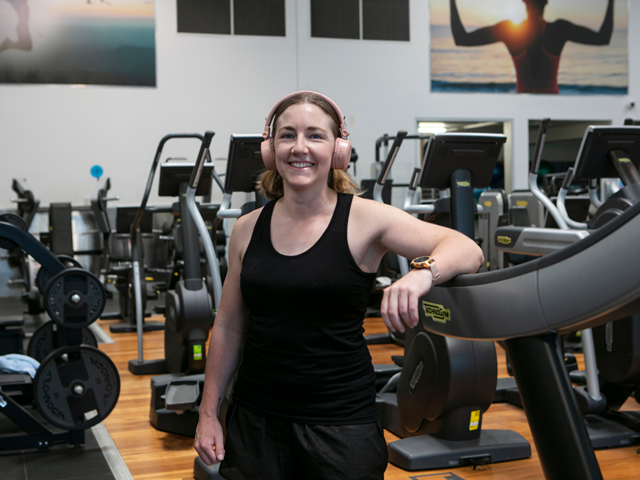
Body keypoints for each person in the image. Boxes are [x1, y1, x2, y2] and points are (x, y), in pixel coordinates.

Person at [194, 91, 483, 479]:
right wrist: (208, 413)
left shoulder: (365, 219)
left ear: (338, 149)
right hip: (255, 421)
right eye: (286, 135)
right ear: (270, 150)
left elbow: (466, 249)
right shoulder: (247, 229)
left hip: (340, 424)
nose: (300, 148)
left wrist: (420, 274)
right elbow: (229, 325)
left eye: (315, 135)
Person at [450, 0, 614, 93]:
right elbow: (603, 38)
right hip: (551, 110)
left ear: (524, 2)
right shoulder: (559, 30)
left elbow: (462, 38)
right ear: (547, 2)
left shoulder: (509, 31)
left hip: (523, 107)